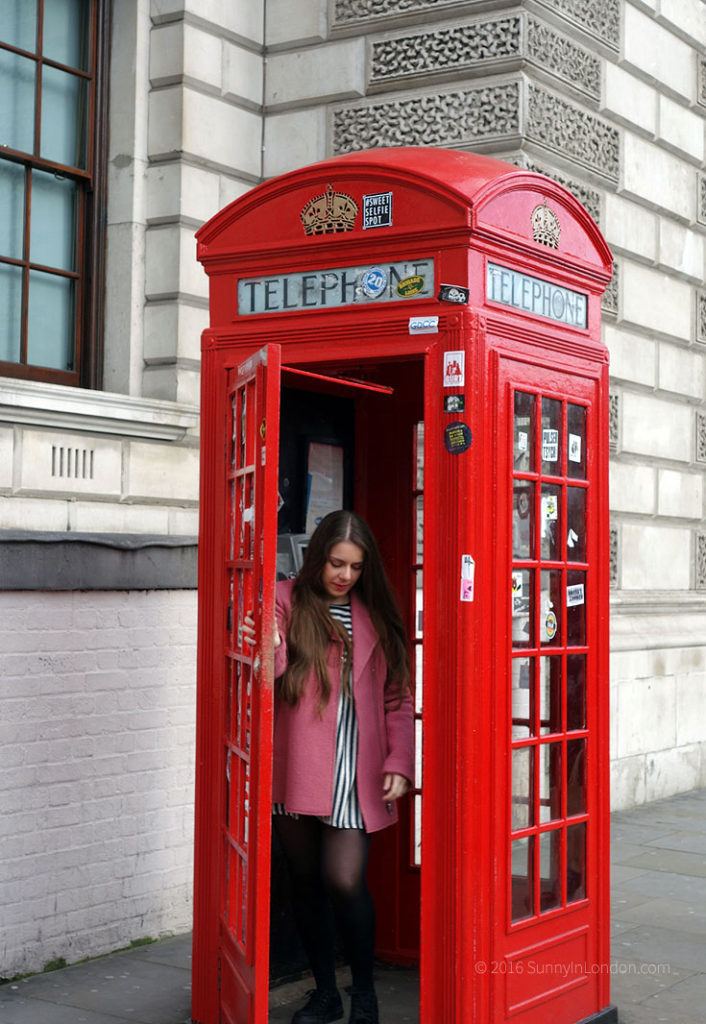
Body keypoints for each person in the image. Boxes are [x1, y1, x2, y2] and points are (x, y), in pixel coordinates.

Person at [243, 510, 414, 1024]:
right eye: (336, 563)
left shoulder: (376, 618)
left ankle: (364, 991)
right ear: (318, 558)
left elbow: (396, 698)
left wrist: (400, 761)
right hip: (297, 765)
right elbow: (263, 671)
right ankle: (325, 994)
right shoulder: (284, 599)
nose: (344, 575)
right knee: (305, 882)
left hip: (354, 771)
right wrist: (266, 642)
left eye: (355, 567)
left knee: (344, 880)